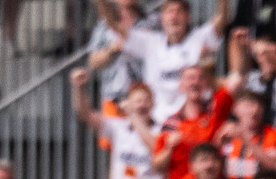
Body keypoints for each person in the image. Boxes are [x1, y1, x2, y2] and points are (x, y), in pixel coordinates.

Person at [93, 0, 230, 123]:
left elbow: (223, 18)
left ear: (189, 18)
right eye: (170, 11)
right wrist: (102, 3)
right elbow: (117, 28)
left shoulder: (199, 38)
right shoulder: (152, 42)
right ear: (162, 19)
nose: (174, 16)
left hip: (192, 120)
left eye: (179, 11)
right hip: (159, 122)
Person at [152, 65, 238, 179]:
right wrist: (169, 148)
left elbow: (236, 80)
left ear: (207, 83)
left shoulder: (215, 112)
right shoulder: (171, 124)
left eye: (200, 78)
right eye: (190, 78)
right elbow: (157, 166)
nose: (195, 82)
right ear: (181, 85)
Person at [218, 91, 276, 179]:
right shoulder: (226, 134)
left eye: (258, 106)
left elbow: (273, 165)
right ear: (235, 109)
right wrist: (217, 140)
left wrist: (245, 138)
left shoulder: (270, 134)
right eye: (249, 105)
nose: (254, 110)